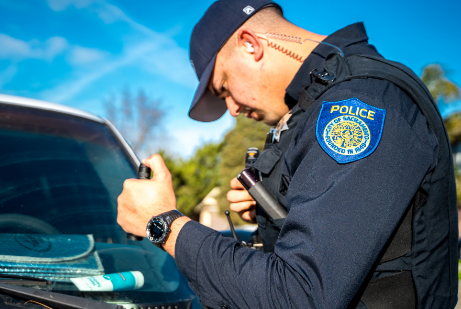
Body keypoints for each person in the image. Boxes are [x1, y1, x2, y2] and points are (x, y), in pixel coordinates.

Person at [117, 0, 458, 308]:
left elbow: (299, 295)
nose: (232, 109)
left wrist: (163, 223)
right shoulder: (315, 104)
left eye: (223, 88)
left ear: (251, 45)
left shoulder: (358, 101)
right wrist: (276, 215)